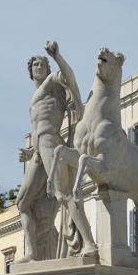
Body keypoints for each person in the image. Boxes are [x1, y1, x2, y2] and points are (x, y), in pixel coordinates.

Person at [18, 40, 84, 261]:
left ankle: (86, 240)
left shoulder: (53, 85)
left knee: (63, 195)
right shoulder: (33, 99)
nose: (39, 68)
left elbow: (70, 77)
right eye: (35, 65)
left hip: (51, 143)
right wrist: (28, 153)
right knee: (22, 202)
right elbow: (36, 130)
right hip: (38, 151)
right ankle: (31, 253)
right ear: (30, 72)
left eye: (42, 65)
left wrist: (57, 56)